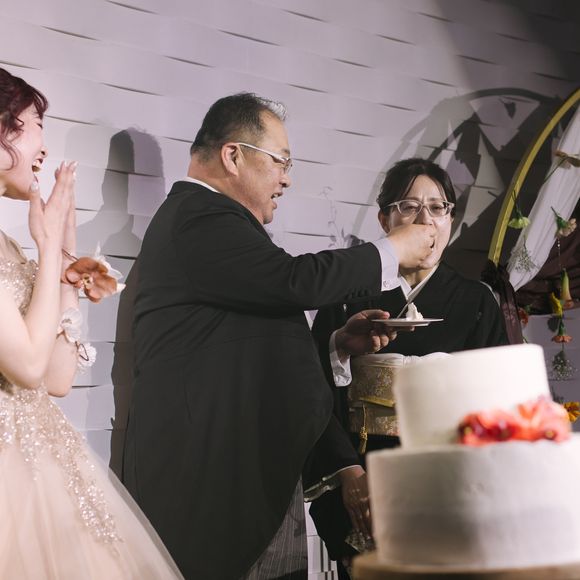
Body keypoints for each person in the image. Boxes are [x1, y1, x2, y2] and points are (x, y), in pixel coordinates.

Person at [121, 93, 437, 580]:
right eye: (281, 161)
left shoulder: (214, 220)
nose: (287, 179)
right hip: (216, 476)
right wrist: (390, 251)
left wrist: (337, 346)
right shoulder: (198, 216)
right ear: (233, 155)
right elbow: (293, 281)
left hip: (252, 468)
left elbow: (251, 335)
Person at [0, 67, 183, 579]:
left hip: (41, 462)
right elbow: (27, 368)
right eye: (35, 125)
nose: (43, 148)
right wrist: (48, 249)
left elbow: (56, 379)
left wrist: (64, 259)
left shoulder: (7, 246)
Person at [303, 157, 508, 578]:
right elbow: (313, 389)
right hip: (364, 478)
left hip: (446, 484)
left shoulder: (476, 301)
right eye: (410, 207)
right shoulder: (347, 295)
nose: (425, 220)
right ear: (385, 220)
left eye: (438, 207)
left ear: (451, 219)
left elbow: (497, 402)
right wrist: (347, 472)